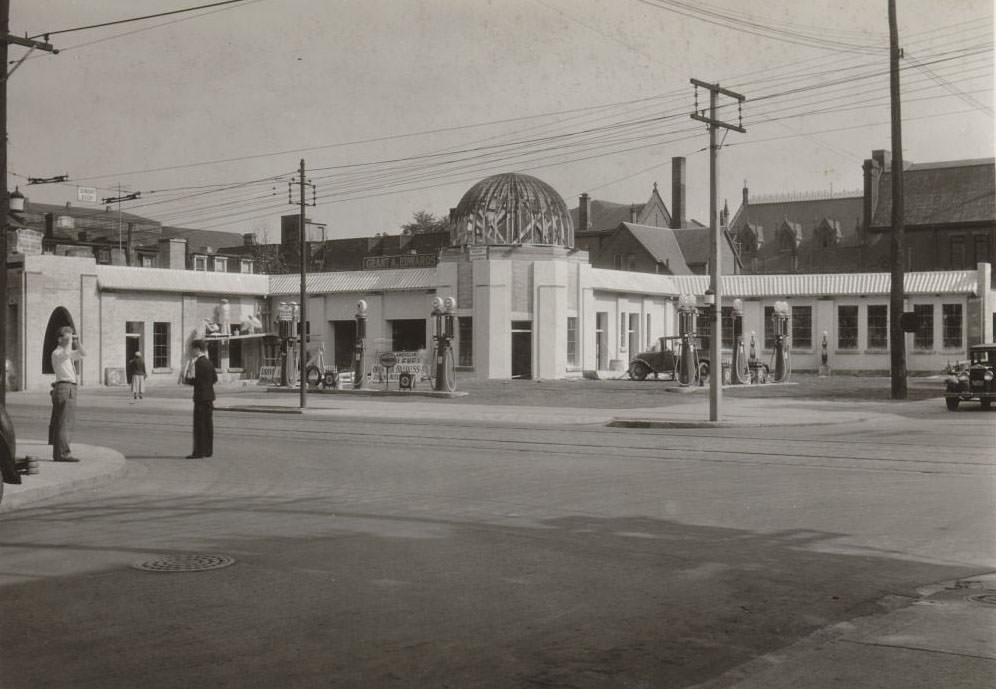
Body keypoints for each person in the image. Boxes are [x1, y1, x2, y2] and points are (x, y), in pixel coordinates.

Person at [50, 326, 85, 462]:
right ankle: (63, 454)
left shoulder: (66, 353)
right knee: (64, 422)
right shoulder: (57, 353)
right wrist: (68, 341)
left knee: (64, 422)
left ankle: (60, 453)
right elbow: (66, 353)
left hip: (68, 387)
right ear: (60, 339)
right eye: (67, 337)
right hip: (65, 387)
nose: (70, 339)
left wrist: (77, 342)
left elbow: (83, 354)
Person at [185, 339, 217, 459]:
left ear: (197, 349)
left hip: (200, 397)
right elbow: (215, 378)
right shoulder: (209, 362)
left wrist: (188, 380)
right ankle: (208, 450)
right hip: (209, 397)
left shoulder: (197, 363)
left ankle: (199, 452)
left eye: (192, 349)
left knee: (199, 425)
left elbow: (195, 380)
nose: (191, 351)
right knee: (208, 425)